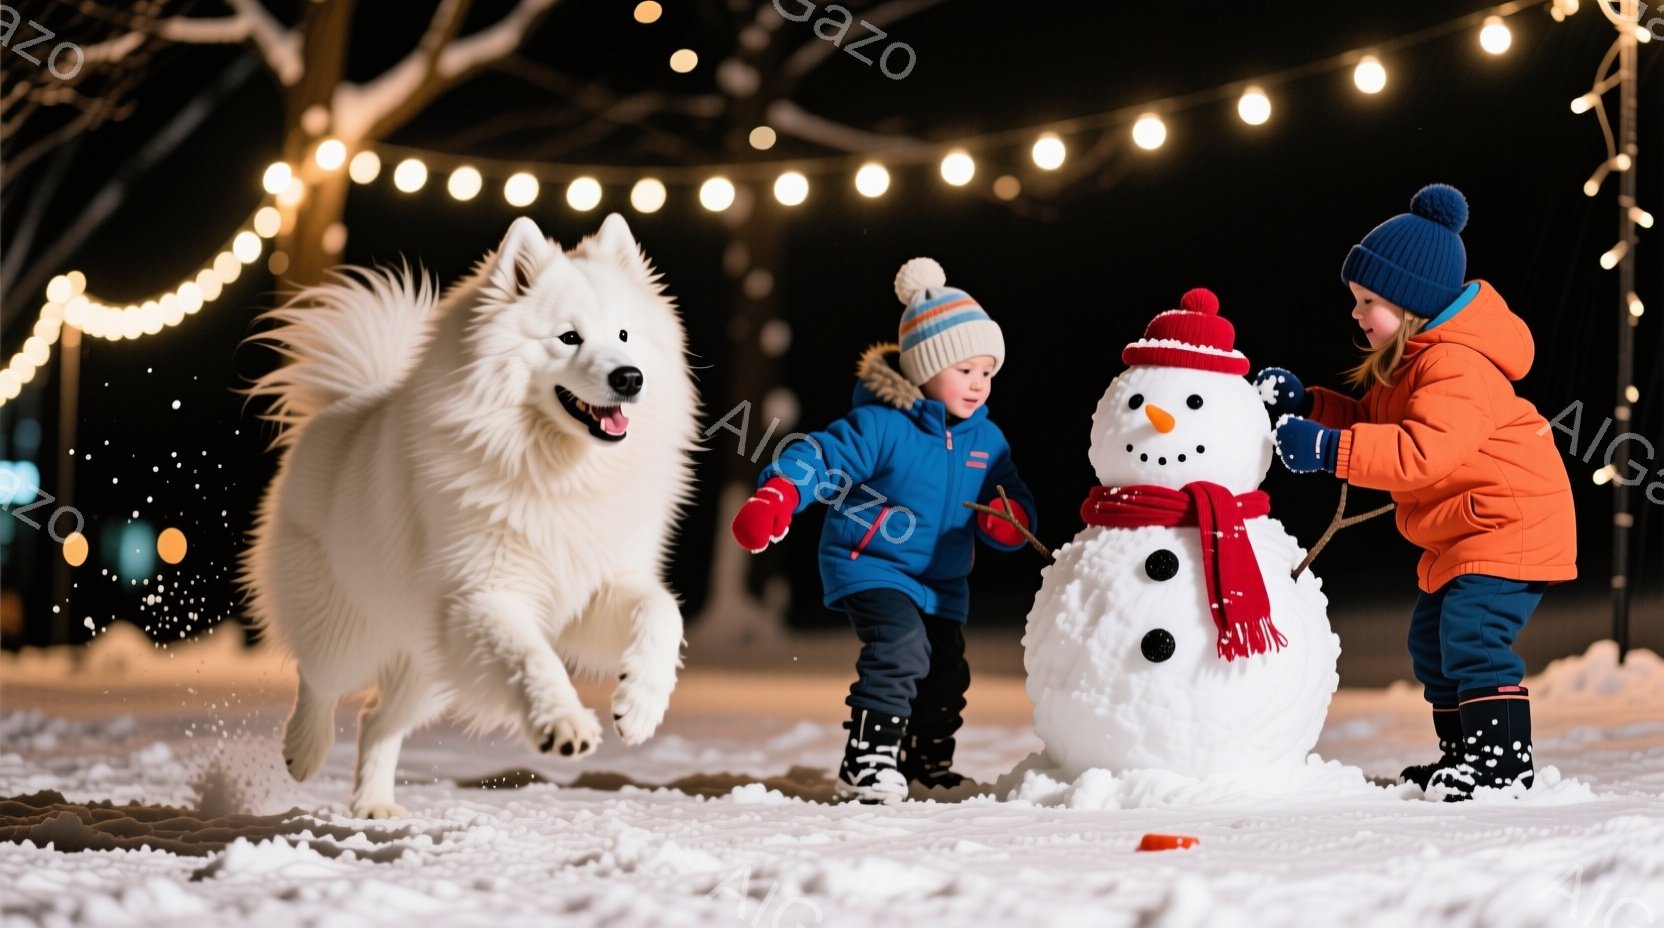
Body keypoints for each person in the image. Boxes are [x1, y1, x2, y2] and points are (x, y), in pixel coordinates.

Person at [1260, 183, 1577, 801]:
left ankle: (1500, 767)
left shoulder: (1455, 366)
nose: (1356, 314)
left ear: (1411, 302)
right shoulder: (1412, 363)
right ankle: (1464, 756)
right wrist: (1312, 406)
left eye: (1368, 300)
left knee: (1474, 635)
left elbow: (1419, 453)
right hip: (1467, 529)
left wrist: (1327, 452)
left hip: (1507, 523)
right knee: (1431, 642)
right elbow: (1377, 425)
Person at [730, 257, 1037, 804]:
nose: (978, 384)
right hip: (871, 562)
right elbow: (821, 456)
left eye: (987, 372)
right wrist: (781, 493)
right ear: (923, 368)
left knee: (946, 673)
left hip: (941, 580)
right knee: (900, 645)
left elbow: (1009, 495)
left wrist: (1009, 520)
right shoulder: (881, 424)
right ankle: (867, 760)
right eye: (964, 370)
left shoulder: (988, 441)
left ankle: (926, 763)